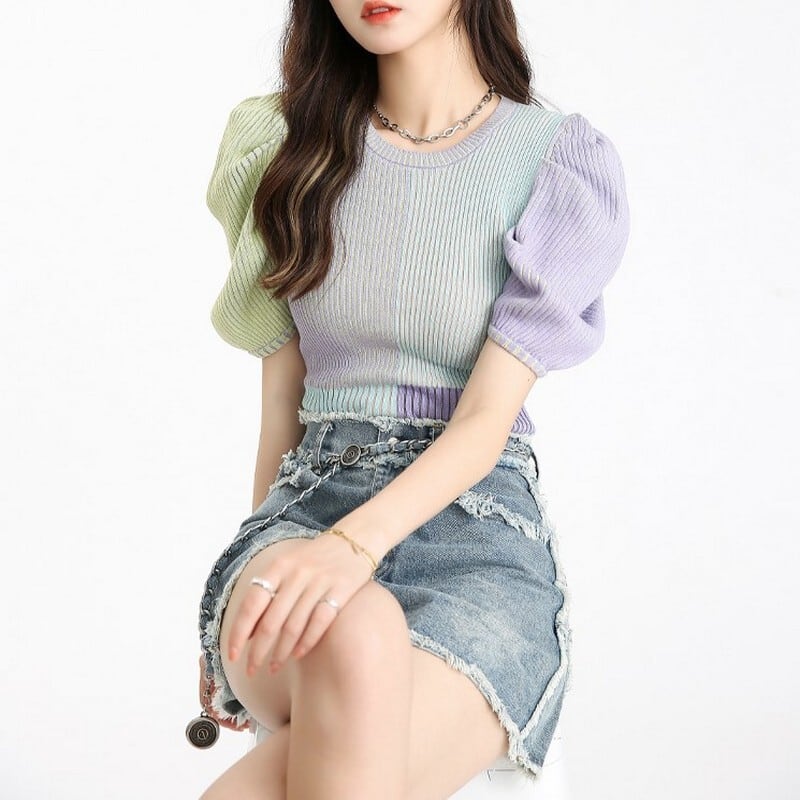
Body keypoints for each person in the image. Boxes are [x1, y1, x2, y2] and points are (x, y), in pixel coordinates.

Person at [192, 0, 631, 797]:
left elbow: (484, 423)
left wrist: (351, 551)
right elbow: (283, 402)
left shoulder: (554, 163)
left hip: (477, 546)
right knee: (351, 626)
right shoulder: (283, 146)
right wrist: (249, 568)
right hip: (306, 511)